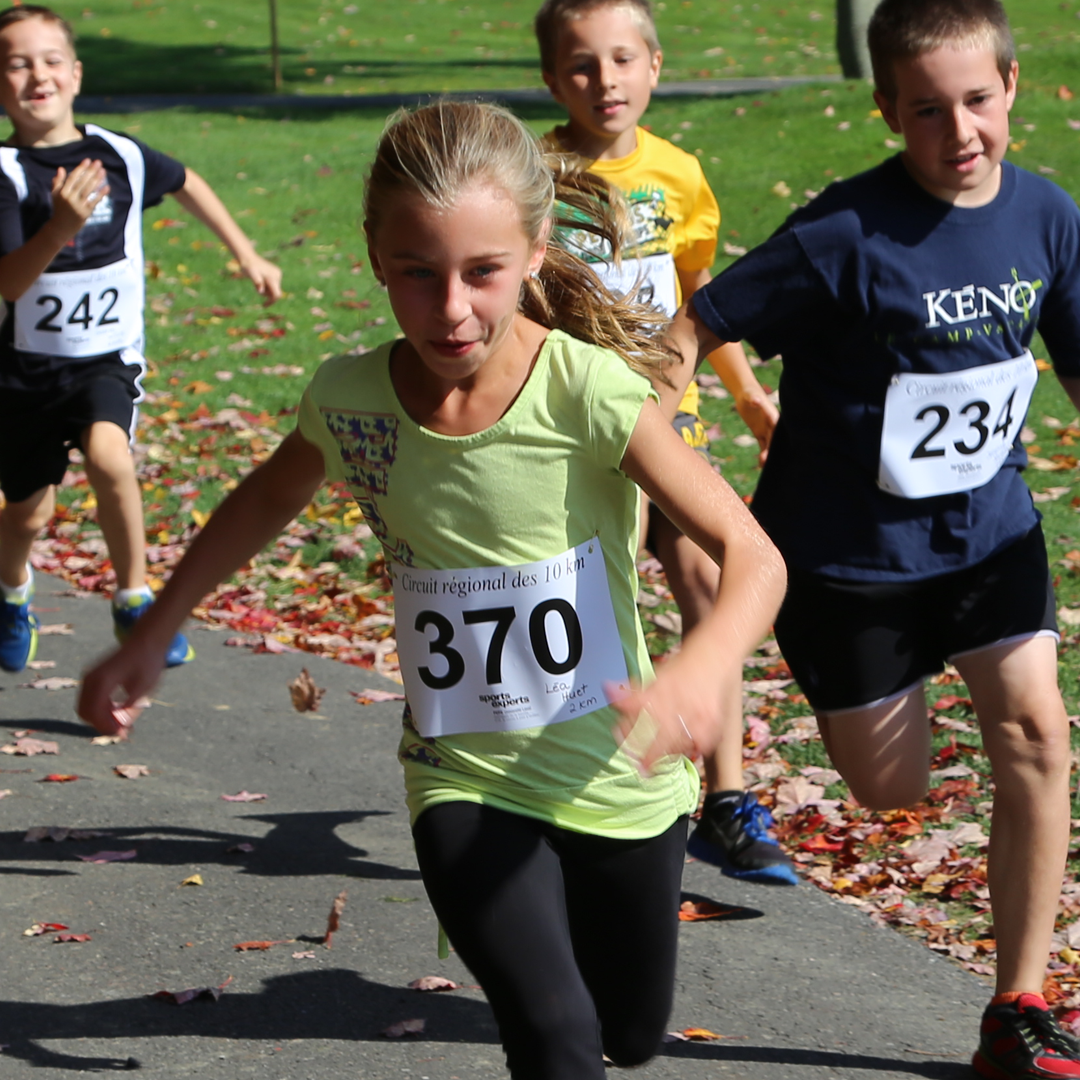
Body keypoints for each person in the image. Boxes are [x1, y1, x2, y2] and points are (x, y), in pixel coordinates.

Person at [77, 101, 786, 1079]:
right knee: (557, 1040)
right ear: (375, 255)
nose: (450, 309)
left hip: (616, 773)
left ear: (536, 252)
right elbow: (262, 501)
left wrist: (701, 672)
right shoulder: (351, 398)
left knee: (626, 1033)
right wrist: (152, 630)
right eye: (418, 273)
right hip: (462, 776)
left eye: (483, 272)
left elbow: (755, 555)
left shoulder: (585, 391)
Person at [665, 1, 1080, 1076]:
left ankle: (1016, 1008)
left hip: (990, 535)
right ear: (889, 110)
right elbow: (698, 321)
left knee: (1035, 735)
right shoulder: (844, 233)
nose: (961, 131)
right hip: (847, 563)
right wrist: (661, 444)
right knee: (892, 790)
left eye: (979, 101)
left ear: (1012, 87)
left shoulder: (1045, 213)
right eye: (929, 110)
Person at [535, 0, 795, 885]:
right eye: (579, 65)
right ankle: (569, 782)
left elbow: (701, 299)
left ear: (653, 66)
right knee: (589, 601)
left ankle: (726, 800)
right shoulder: (534, 173)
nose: (603, 81)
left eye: (620, 60)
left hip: (663, 417)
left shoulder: (679, 176)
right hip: (565, 426)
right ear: (549, 78)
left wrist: (751, 394)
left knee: (705, 580)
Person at [0, 4, 282, 674]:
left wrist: (245, 253)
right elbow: (9, 282)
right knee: (29, 517)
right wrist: (58, 229)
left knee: (110, 456)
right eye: (16, 63)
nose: (36, 73)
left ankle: (134, 597)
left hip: (106, 361)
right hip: (25, 375)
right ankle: (12, 594)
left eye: (48, 59)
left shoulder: (121, 154)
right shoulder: (6, 173)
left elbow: (186, 183)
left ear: (74, 72)